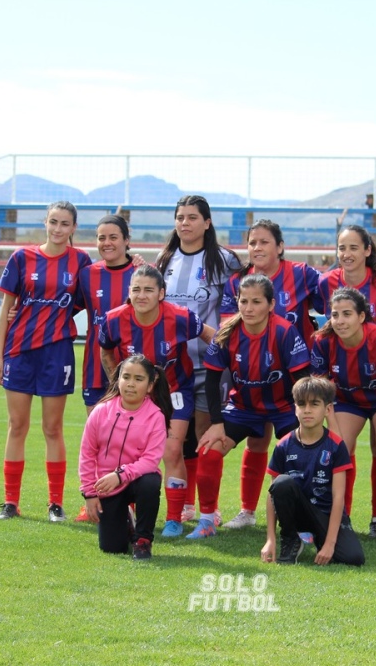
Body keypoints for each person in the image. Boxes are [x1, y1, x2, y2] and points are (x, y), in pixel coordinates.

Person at [218, 219, 322, 531]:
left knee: (299, 450)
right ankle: (247, 513)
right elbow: (228, 327)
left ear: (279, 247)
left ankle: (307, 516)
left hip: (291, 387)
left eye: (264, 242)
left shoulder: (302, 274)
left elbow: (335, 300)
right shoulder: (237, 280)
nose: (257, 248)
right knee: (256, 445)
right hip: (248, 384)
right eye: (252, 243)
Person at [0, 201, 92, 522]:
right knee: (17, 425)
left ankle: (55, 503)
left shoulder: (81, 261)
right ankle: (10, 502)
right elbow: (5, 311)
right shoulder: (22, 258)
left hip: (57, 353)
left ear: (74, 228)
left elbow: (91, 296)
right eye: (53, 222)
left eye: (65, 223)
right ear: (45, 224)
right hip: (19, 352)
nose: (58, 228)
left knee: (52, 428)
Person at [98, 264, 216, 537]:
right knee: (134, 454)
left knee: (172, 451)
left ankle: (174, 519)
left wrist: (221, 367)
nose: (142, 295)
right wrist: (119, 385)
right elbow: (106, 352)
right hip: (136, 398)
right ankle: (132, 509)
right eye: (136, 289)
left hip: (175, 391)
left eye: (149, 290)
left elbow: (213, 337)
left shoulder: (180, 317)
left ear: (161, 293)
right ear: (129, 292)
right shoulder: (114, 319)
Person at [191, 274, 311, 539]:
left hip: (283, 407)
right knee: (208, 451)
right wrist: (216, 423)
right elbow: (212, 381)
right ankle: (209, 519)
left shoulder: (284, 331)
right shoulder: (227, 332)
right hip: (243, 406)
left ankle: (301, 522)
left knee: (302, 457)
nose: (248, 308)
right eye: (243, 301)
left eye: (256, 302)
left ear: (271, 304)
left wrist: (305, 419)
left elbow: (302, 380)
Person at [316, 224, 376, 538]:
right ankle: (341, 520)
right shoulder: (325, 285)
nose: (347, 254)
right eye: (342, 248)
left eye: (354, 247)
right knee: (340, 449)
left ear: (368, 250)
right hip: (347, 392)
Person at [155, 195, 242, 527]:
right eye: (180, 217)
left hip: (209, 364)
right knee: (177, 437)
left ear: (207, 223)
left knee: (205, 434)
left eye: (192, 217)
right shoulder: (165, 260)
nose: (184, 223)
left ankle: (211, 506)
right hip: (171, 367)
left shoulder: (225, 261)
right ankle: (185, 504)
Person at [72, 214, 140, 522]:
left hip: (131, 369)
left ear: (127, 240)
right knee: (97, 437)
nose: (107, 243)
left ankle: (133, 501)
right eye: (101, 237)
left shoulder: (141, 272)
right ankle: (95, 502)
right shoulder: (87, 275)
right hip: (94, 367)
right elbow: (65, 307)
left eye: (113, 237)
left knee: (131, 438)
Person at [260, 376, 365, 566]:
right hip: (297, 513)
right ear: (295, 408)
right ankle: (290, 539)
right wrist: (270, 539)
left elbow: (339, 497)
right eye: (301, 404)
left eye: (314, 404)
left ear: (327, 409)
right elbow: (272, 494)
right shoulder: (283, 445)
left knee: (353, 558)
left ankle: (321, 540)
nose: (307, 410)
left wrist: (330, 544)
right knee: (281, 483)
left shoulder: (336, 445)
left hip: (324, 514)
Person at [78, 355, 170, 560]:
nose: (130, 384)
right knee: (112, 548)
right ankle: (126, 520)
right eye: (126, 377)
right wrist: (90, 494)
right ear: (117, 379)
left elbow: (151, 460)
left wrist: (120, 475)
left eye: (138, 379)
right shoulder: (101, 411)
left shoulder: (156, 416)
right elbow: (87, 454)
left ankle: (143, 540)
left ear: (149, 385)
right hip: (107, 486)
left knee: (150, 482)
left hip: (136, 480)